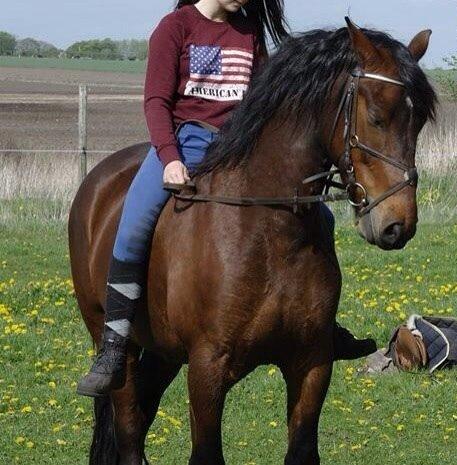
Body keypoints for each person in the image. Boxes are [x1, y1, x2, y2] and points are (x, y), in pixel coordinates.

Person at [77, 0, 375, 398]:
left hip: (241, 145)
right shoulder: (175, 27)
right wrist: (168, 159)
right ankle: (113, 347)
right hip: (187, 140)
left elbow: (265, 98)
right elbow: (156, 102)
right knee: (132, 225)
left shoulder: (249, 30)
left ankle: (324, 329)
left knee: (321, 216)